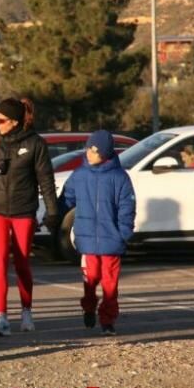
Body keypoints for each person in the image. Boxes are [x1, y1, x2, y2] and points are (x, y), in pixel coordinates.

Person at [0, 98, 59, 336]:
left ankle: (27, 311)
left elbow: (46, 180)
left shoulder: (35, 143)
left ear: (14, 121)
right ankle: (1, 317)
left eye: (1, 120)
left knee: (22, 262)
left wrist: (52, 212)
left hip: (24, 211)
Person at [57, 130, 136, 336]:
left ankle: (108, 320)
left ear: (106, 153)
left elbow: (127, 207)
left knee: (110, 283)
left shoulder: (120, 177)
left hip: (112, 240)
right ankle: (89, 307)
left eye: (95, 151)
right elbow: (66, 199)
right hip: (87, 239)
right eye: (88, 149)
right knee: (90, 278)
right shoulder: (80, 175)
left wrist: (124, 232)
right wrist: (54, 216)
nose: (89, 154)